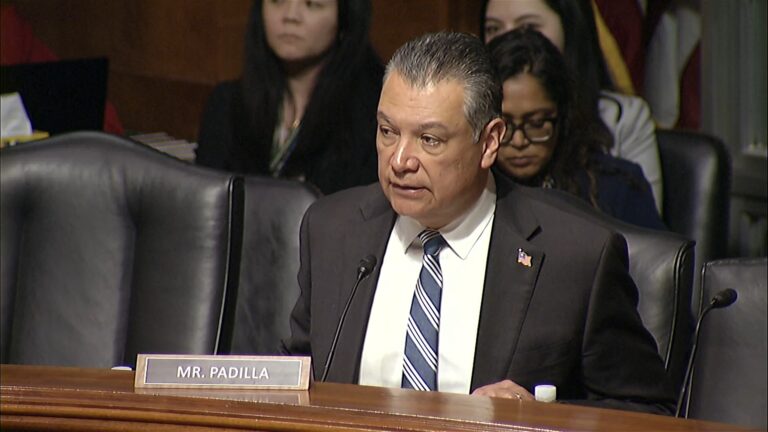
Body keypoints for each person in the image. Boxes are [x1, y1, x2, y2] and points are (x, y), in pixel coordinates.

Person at [282, 31, 676, 415]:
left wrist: (540, 415)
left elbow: (648, 412)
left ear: (489, 142)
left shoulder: (575, 257)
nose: (399, 160)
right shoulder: (332, 229)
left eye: (429, 139)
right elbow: (294, 384)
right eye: (388, 132)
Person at [481, 0, 664, 212]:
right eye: (504, 127)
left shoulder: (616, 187)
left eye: (537, 124)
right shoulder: (469, 188)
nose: (519, 141)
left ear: (562, 117)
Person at [195, 0, 383, 194]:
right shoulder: (227, 104)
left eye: (312, 4)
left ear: (345, 18)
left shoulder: (374, 114)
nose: (290, 16)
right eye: (278, 1)